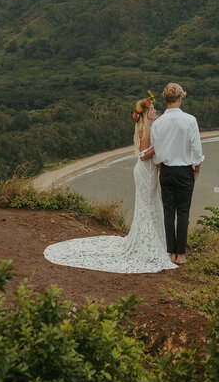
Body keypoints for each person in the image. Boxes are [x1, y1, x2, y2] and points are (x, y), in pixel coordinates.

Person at [42, 91, 177, 273]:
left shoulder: (150, 127)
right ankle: (146, 244)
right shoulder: (146, 128)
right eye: (152, 109)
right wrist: (160, 148)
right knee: (147, 204)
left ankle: (154, 241)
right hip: (145, 170)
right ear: (146, 113)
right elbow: (144, 155)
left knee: (151, 203)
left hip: (149, 171)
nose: (155, 111)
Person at [150, 82, 204, 265]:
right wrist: (197, 168)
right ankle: (180, 255)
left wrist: (159, 166)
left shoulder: (158, 123)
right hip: (184, 171)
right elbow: (196, 147)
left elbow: (155, 149)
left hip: (165, 170)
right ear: (180, 98)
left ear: (166, 99)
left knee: (168, 211)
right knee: (183, 212)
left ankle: (169, 252)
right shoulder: (190, 120)